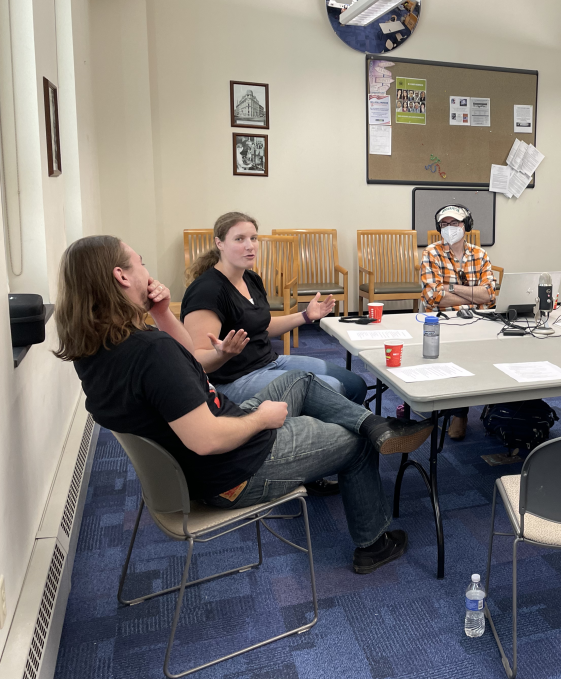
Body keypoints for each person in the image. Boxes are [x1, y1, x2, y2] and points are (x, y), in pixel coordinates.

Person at [55, 235, 435, 573]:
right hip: (232, 471)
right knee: (353, 443)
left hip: (205, 453)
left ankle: (375, 424)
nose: (146, 270)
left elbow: (188, 362)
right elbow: (206, 439)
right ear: (122, 276)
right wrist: (261, 419)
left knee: (298, 380)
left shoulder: (95, 351)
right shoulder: (149, 352)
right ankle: (373, 544)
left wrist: (160, 312)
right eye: (140, 262)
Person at [181, 212, 367, 406]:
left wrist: (305, 316)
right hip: (233, 380)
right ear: (219, 243)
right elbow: (197, 358)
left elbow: (263, 326)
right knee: (333, 388)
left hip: (269, 362)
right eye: (239, 239)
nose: (249, 246)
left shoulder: (251, 279)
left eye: (253, 238)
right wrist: (222, 354)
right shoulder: (206, 291)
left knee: (355, 384)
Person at [420, 204, 496, 440]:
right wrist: (472, 293)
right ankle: (458, 413)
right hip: (445, 321)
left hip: (479, 320)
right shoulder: (431, 253)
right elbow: (433, 296)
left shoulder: (480, 255)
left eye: (455, 223)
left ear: (467, 227)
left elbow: (490, 295)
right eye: (444, 224)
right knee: (457, 355)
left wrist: (451, 287)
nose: (450, 228)